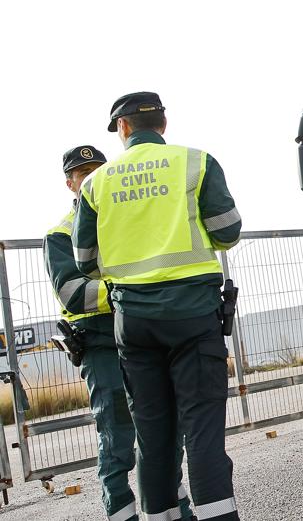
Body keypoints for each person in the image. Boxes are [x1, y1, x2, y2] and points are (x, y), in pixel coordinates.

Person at [73, 92, 243, 521]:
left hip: (134, 323)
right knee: (202, 429)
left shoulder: (96, 183)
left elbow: (84, 260)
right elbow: (228, 232)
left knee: (152, 434)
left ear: (124, 128)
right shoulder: (196, 161)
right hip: (193, 314)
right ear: (163, 124)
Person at [45, 146, 195, 521]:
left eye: (98, 170)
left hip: (145, 338)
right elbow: (73, 293)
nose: (91, 177)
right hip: (101, 344)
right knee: (117, 440)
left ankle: (175, 511)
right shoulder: (60, 234)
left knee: (165, 432)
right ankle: (122, 514)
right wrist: (131, 290)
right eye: (83, 174)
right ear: (70, 184)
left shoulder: (125, 220)